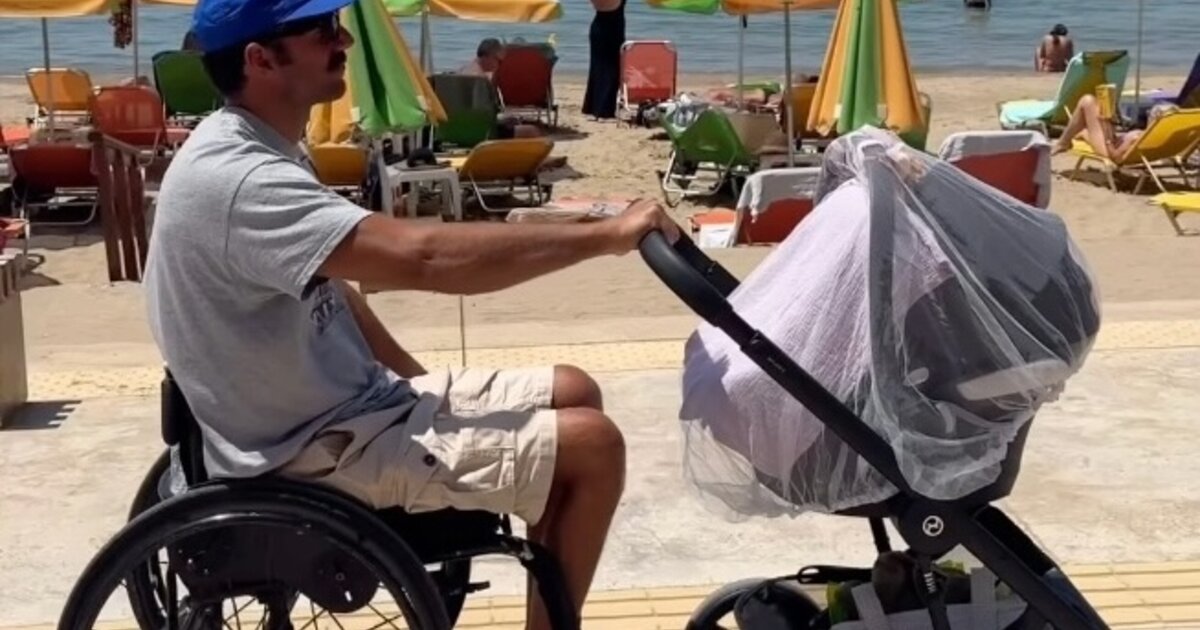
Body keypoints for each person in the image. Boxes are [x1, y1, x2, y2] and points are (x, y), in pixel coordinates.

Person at [143, 2, 680, 629]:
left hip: (346, 409)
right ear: (260, 59)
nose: (344, 40)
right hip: (308, 451)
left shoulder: (262, 145)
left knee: (575, 389)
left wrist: (414, 386)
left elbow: (334, 286)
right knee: (594, 446)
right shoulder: (240, 178)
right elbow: (423, 257)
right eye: (321, 31)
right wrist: (604, 235)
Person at [1051, 95, 1179, 158]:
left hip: (1108, 149)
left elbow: (1114, 155)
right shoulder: (1161, 137)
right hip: (1116, 141)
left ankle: (1063, 143)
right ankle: (1082, 133)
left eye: (1151, 115)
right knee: (1095, 105)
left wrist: (1107, 135)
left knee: (1087, 101)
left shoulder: (1138, 139)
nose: (1148, 115)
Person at [581, 0, 625, 120]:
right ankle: (603, 111)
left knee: (597, 69)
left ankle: (592, 108)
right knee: (612, 69)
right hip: (614, 29)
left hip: (598, 28)